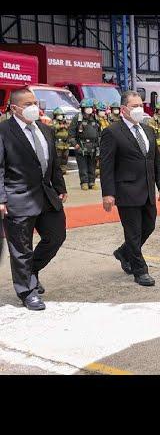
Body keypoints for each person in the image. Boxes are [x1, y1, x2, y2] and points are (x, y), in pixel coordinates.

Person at [0, 88, 68, 310]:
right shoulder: (4, 131)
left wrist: (60, 186)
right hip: (17, 197)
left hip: (46, 195)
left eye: (35, 102)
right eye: (28, 103)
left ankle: (31, 271)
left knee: (56, 236)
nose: (33, 107)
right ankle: (27, 291)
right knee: (21, 249)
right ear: (14, 108)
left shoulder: (45, 129)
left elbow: (53, 162)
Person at [99, 91, 160, 287]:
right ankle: (140, 270)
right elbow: (106, 166)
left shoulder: (148, 130)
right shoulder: (112, 132)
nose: (139, 109)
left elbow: (155, 160)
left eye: (140, 105)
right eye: (134, 106)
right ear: (123, 109)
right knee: (133, 232)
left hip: (147, 190)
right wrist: (108, 193)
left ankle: (123, 252)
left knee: (149, 226)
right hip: (126, 190)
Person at [69, 98, 100, 190]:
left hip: (93, 146)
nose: (88, 109)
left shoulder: (95, 118)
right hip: (81, 146)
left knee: (92, 165)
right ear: (82, 108)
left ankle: (92, 182)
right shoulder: (77, 119)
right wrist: (75, 144)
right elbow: (71, 133)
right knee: (82, 166)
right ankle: (84, 182)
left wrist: (99, 145)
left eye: (90, 107)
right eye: (86, 107)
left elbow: (99, 132)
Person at [51, 107, 70, 175]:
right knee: (58, 158)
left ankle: (63, 170)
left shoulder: (65, 122)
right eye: (58, 115)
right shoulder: (54, 122)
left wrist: (67, 125)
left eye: (61, 115)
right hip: (58, 144)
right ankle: (57, 171)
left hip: (65, 144)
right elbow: (52, 128)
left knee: (65, 157)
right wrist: (60, 126)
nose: (60, 116)